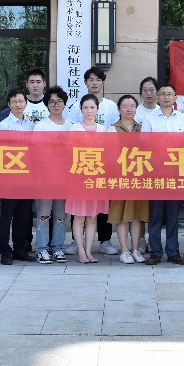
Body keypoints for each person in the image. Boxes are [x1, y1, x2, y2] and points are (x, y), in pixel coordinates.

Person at [68, 67, 120, 255]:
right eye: (91, 79)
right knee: (79, 211)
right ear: (85, 82)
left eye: (98, 79)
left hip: (101, 166)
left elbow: (113, 131)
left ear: (103, 82)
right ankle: (77, 243)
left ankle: (105, 240)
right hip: (81, 169)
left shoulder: (110, 106)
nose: (95, 83)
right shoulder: (76, 106)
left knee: (100, 209)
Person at [143, 82, 184, 265]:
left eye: (170, 94)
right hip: (156, 172)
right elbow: (145, 145)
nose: (166, 97)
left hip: (176, 172)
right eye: (163, 94)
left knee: (173, 215)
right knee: (155, 215)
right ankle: (155, 252)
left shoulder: (182, 119)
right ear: (157, 97)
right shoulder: (149, 118)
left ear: (175, 98)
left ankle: (173, 251)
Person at [67, 95, 110, 263]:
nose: (89, 111)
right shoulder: (75, 128)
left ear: (97, 110)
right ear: (81, 110)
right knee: (79, 217)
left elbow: (107, 154)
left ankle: (89, 251)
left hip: (97, 178)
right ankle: (80, 252)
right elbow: (70, 153)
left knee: (92, 217)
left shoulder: (103, 130)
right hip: (79, 178)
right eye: (85, 107)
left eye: (92, 107)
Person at [0, 88, 37, 265]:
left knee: (23, 216)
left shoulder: (32, 125)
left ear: (26, 104)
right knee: (7, 215)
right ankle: (5, 251)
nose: (18, 104)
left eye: (20, 101)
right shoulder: (4, 125)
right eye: (14, 101)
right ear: (9, 104)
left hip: (27, 177)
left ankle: (20, 250)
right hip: (9, 177)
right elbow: (0, 152)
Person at [33, 86, 73, 263]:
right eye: (52, 102)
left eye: (59, 101)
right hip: (45, 177)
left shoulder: (71, 126)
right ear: (47, 104)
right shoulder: (41, 125)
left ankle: (57, 247)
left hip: (65, 178)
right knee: (43, 214)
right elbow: (35, 151)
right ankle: (41, 248)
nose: (56, 105)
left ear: (64, 104)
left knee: (61, 215)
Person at [110, 95, 149, 264]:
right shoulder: (113, 129)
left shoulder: (142, 128)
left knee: (136, 214)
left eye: (132, 106)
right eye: (125, 106)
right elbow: (110, 154)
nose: (129, 109)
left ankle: (135, 249)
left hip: (139, 176)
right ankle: (124, 250)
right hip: (120, 176)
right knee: (121, 214)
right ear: (119, 109)